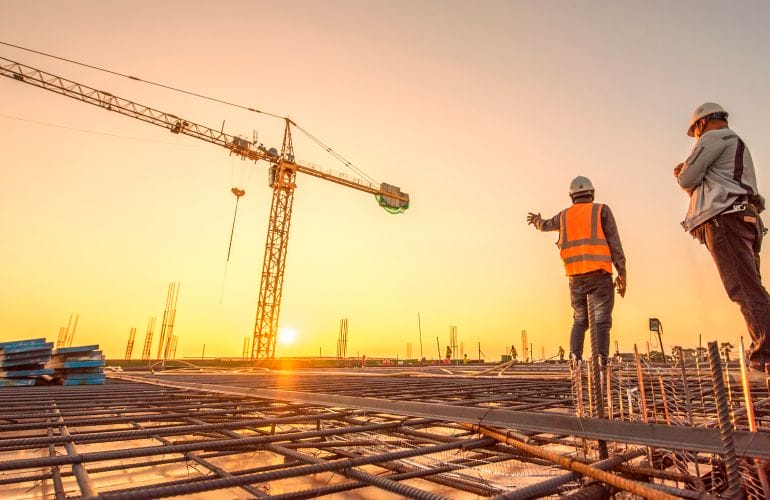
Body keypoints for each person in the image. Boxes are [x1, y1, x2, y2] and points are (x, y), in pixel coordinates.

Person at [675, 102, 770, 378]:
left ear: (701, 124)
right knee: (752, 287)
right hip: (744, 217)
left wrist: (681, 173)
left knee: (743, 288)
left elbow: (688, 178)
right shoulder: (735, 142)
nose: (696, 138)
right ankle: (764, 353)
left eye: (695, 132)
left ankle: (764, 358)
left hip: (726, 220)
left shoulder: (713, 138)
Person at [527, 176, 627, 366]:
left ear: (572, 196)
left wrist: (537, 220)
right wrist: (622, 272)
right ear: (592, 193)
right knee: (601, 321)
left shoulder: (564, 216)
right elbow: (615, 244)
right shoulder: (601, 210)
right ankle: (600, 361)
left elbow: (545, 225)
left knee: (580, 320)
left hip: (575, 278)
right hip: (600, 275)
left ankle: (575, 358)